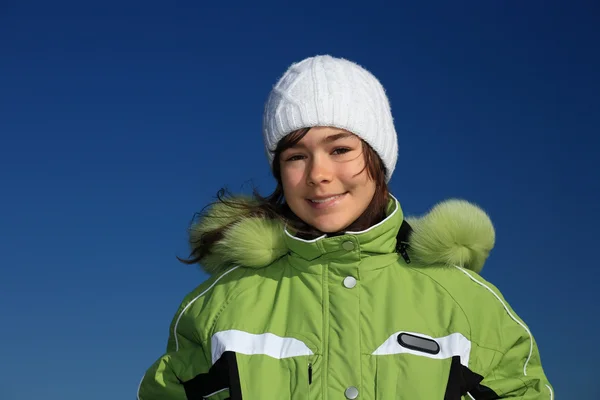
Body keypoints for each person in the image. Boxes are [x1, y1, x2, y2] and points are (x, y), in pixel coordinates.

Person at [137, 55, 553, 399]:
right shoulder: (220, 306)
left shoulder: (466, 303)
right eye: (296, 156)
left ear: (378, 157)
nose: (318, 174)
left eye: (340, 149)